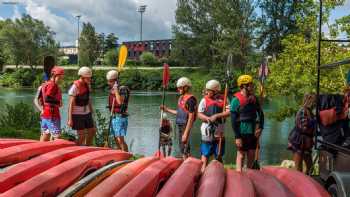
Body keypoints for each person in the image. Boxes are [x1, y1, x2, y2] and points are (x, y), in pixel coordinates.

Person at [210, 75, 264, 172]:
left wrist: (260, 127)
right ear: (244, 86)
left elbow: (261, 115)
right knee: (241, 154)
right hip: (242, 130)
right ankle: (239, 174)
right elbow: (233, 121)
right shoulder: (236, 100)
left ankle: (250, 175)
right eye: (251, 84)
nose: (253, 86)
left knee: (251, 154)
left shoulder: (254, 99)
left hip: (253, 131)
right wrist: (237, 137)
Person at [161, 77, 197, 159]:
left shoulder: (191, 100)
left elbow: (191, 118)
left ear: (186, 87)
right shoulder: (181, 98)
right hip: (180, 125)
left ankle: (188, 164)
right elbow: (179, 113)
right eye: (178, 88)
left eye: (180, 88)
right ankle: (185, 162)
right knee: (182, 147)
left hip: (185, 126)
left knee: (185, 148)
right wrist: (166, 109)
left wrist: (186, 133)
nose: (178, 89)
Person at [198, 80, 226, 172]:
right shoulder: (204, 100)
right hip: (207, 128)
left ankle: (219, 172)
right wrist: (207, 118)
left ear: (215, 91)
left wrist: (217, 115)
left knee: (218, 153)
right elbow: (199, 114)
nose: (207, 92)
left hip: (219, 128)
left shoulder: (224, 99)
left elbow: (229, 112)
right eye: (207, 90)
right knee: (205, 152)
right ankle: (203, 171)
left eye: (209, 90)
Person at [288, 94, 316, 174]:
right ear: (307, 101)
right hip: (298, 141)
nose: (314, 104)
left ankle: (306, 182)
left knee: (310, 168)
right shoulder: (302, 111)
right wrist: (313, 123)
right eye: (313, 101)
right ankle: (297, 184)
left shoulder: (311, 112)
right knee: (298, 169)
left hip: (307, 142)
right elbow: (302, 127)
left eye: (314, 102)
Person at [67, 66, 96, 146]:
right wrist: (70, 119)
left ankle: (87, 147)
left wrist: (91, 111)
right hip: (77, 114)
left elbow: (88, 100)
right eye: (88, 78)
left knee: (92, 131)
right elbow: (71, 104)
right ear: (82, 77)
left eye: (90, 78)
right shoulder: (74, 87)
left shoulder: (87, 85)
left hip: (87, 113)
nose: (90, 79)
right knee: (82, 136)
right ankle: (75, 149)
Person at [38, 66, 65, 141]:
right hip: (52, 114)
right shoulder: (53, 85)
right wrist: (59, 102)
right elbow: (47, 98)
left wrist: (43, 109)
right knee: (57, 136)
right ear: (55, 75)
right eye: (60, 77)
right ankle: (56, 152)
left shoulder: (45, 84)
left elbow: (40, 100)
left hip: (45, 114)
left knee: (46, 134)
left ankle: (40, 151)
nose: (61, 79)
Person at [106, 70, 130, 151]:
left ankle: (126, 156)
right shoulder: (112, 89)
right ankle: (120, 153)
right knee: (116, 138)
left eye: (110, 81)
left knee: (120, 140)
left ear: (115, 80)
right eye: (108, 81)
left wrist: (116, 90)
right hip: (114, 117)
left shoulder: (122, 89)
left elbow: (120, 102)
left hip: (120, 117)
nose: (108, 83)